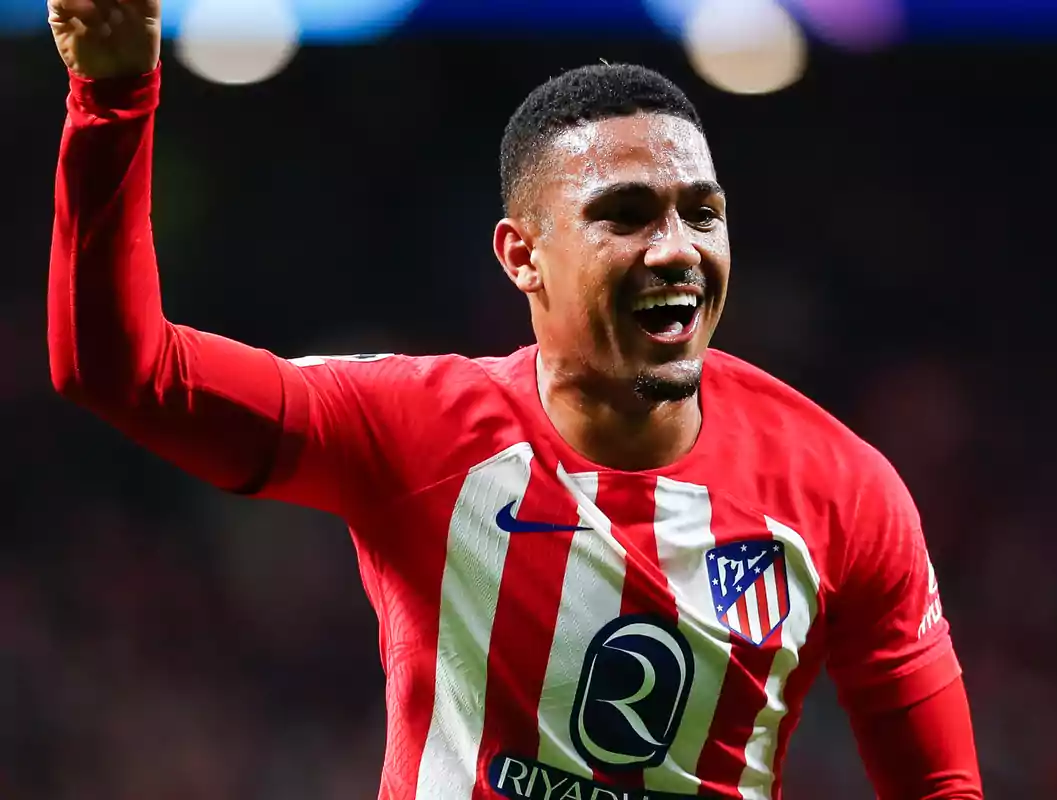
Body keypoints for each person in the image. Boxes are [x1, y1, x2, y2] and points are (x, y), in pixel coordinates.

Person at [47, 1, 984, 798]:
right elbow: (124, 372)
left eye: (702, 212)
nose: (676, 247)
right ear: (521, 255)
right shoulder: (415, 431)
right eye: (623, 215)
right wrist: (114, 99)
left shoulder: (844, 493)